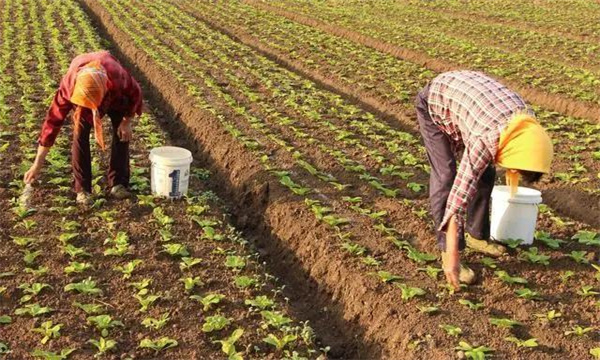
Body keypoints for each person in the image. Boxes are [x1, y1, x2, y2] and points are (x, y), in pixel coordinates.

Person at [415, 70, 553, 289]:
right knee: (446, 176)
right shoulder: (486, 139)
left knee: (486, 173)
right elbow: (458, 200)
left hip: (471, 102)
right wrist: (453, 257)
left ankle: (477, 235)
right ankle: (448, 251)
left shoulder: (528, 127)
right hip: (436, 103)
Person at [24, 51, 143, 205]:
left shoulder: (118, 78)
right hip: (84, 97)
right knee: (79, 135)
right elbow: (52, 124)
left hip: (115, 98)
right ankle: (83, 189)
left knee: (122, 134)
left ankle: (118, 183)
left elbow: (136, 94)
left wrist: (126, 122)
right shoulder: (69, 89)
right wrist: (37, 164)